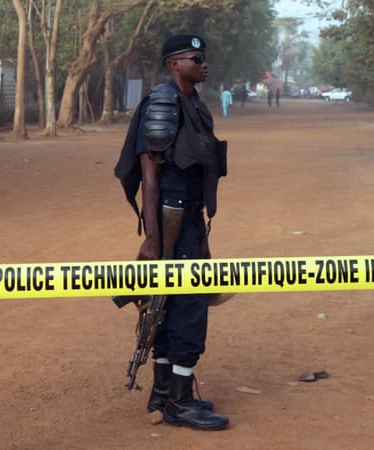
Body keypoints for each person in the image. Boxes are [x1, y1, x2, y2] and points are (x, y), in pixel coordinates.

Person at [114, 34, 229, 431]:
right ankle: (179, 401)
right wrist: (152, 238)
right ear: (173, 64)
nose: (204, 63)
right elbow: (150, 175)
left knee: (168, 304)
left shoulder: (192, 104)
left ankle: (163, 391)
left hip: (188, 220)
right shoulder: (163, 103)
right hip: (171, 221)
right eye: (196, 58)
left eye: (204, 57)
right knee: (188, 307)